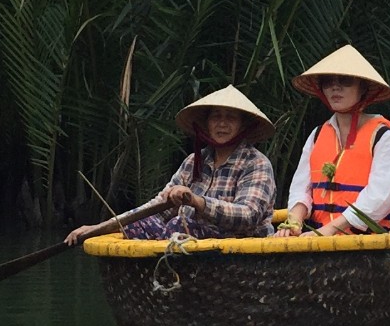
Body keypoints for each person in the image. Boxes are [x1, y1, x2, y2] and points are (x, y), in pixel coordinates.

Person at [66, 85, 277, 244]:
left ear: (243, 125)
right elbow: (158, 207)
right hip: (188, 244)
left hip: (240, 247)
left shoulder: (256, 164)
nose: (222, 123)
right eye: (216, 117)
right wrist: (99, 228)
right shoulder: (194, 162)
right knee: (139, 225)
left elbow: (249, 215)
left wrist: (196, 201)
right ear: (206, 124)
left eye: (230, 117)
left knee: (177, 226)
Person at [282, 45, 390, 235]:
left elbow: (382, 194)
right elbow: (301, 188)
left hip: (370, 243)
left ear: (362, 88)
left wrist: (330, 229)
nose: (335, 87)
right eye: (328, 81)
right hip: (318, 238)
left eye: (345, 81)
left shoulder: (383, 136)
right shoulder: (317, 135)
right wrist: (294, 222)